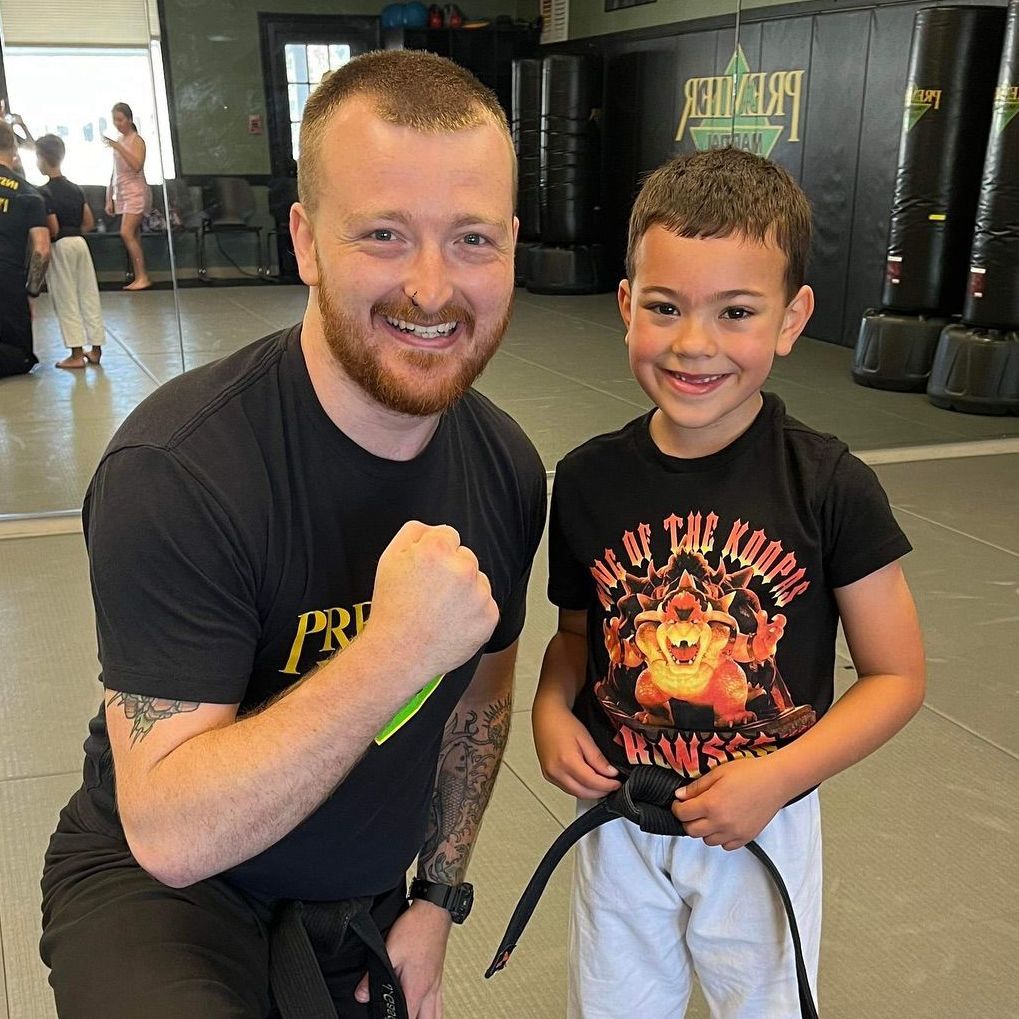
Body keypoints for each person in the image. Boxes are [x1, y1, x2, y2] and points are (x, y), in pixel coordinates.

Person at [38, 49, 544, 1019]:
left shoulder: (506, 469)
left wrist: (437, 898)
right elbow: (171, 828)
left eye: (472, 238)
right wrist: (392, 650)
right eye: (385, 235)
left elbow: (481, 690)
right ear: (306, 241)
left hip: (350, 899)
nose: (433, 288)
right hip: (164, 895)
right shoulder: (180, 470)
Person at [532, 147, 926, 1018]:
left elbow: (896, 677)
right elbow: (575, 637)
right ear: (627, 304)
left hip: (763, 821)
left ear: (790, 319)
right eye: (666, 307)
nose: (694, 344)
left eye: (736, 311)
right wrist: (549, 708)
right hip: (623, 820)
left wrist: (777, 777)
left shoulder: (828, 485)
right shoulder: (589, 480)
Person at [34, 133, 106, 369]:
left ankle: (76, 354)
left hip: (61, 246)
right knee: (88, 294)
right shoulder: (76, 188)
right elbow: (88, 221)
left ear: (43, 158)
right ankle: (95, 349)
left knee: (66, 298)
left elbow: (52, 227)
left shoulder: (44, 192)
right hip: (80, 243)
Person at [0, 118, 52, 377]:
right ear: (14, 152)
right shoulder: (28, 193)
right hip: (9, 283)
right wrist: (31, 293)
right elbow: (42, 249)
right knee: (21, 358)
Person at [103, 101, 151, 290]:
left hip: (136, 193)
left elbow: (136, 165)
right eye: (114, 120)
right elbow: (115, 172)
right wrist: (109, 197)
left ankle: (143, 276)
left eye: (120, 119)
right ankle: (140, 276)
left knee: (126, 232)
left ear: (130, 120)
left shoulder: (136, 140)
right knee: (133, 235)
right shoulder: (119, 141)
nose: (117, 123)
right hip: (122, 192)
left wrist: (119, 148)